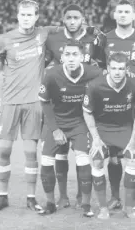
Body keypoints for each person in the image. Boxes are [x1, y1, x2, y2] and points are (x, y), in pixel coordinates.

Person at [0, 0, 61, 211]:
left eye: (30, 15)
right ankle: (2, 195)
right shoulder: (4, 40)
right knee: (4, 150)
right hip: (10, 102)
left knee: (31, 152)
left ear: (36, 16)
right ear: (17, 16)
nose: (26, 18)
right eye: (22, 15)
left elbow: (70, 28)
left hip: (34, 103)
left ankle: (31, 197)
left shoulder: (43, 33)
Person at [42, 4, 107, 209]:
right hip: (59, 104)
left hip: (82, 111)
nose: (72, 21)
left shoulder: (94, 37)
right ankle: (62, 196)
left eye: (76, 18)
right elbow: (44, 64)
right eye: (68, 18)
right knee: (60, 154)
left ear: (83, 19)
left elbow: (102, 65)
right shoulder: (52, 38)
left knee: (82, 156)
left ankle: (82, 195)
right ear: (63, 19)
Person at [38, 41, 102, 216]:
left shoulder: (93, 73)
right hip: (56, 122)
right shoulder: (51, 75)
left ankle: (86, 205)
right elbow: (44, 102)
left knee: (83, 160)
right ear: (62, 56)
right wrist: (55, 129)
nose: (71, 58)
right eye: (67, 54)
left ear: (82, 57)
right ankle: (50, 203)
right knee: (46, 161)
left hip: (80, 123)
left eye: (75, 55)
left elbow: (107, 83)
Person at [104, 0, 135, 210]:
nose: (123, 15)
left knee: (134, 152)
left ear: (134, 16)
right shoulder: (105, 39)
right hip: (111, 106)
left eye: (127, 12)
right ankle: (115, 197)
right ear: (114, 15)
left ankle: (131, 201)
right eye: (120, 12)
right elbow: (99, 68)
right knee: (114, 155)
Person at [82, 52, 135, 219]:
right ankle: (103, 208)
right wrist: (95, 138)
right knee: (96, 159)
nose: (117, 72)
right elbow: (87, 112)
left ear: (127, 69)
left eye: (121, 68)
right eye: (114, 68)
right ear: (108, 69)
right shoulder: (95, 86)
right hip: (102, 128)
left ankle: (129, 207)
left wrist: (133, 141)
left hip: (124, 127)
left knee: (133, 159)